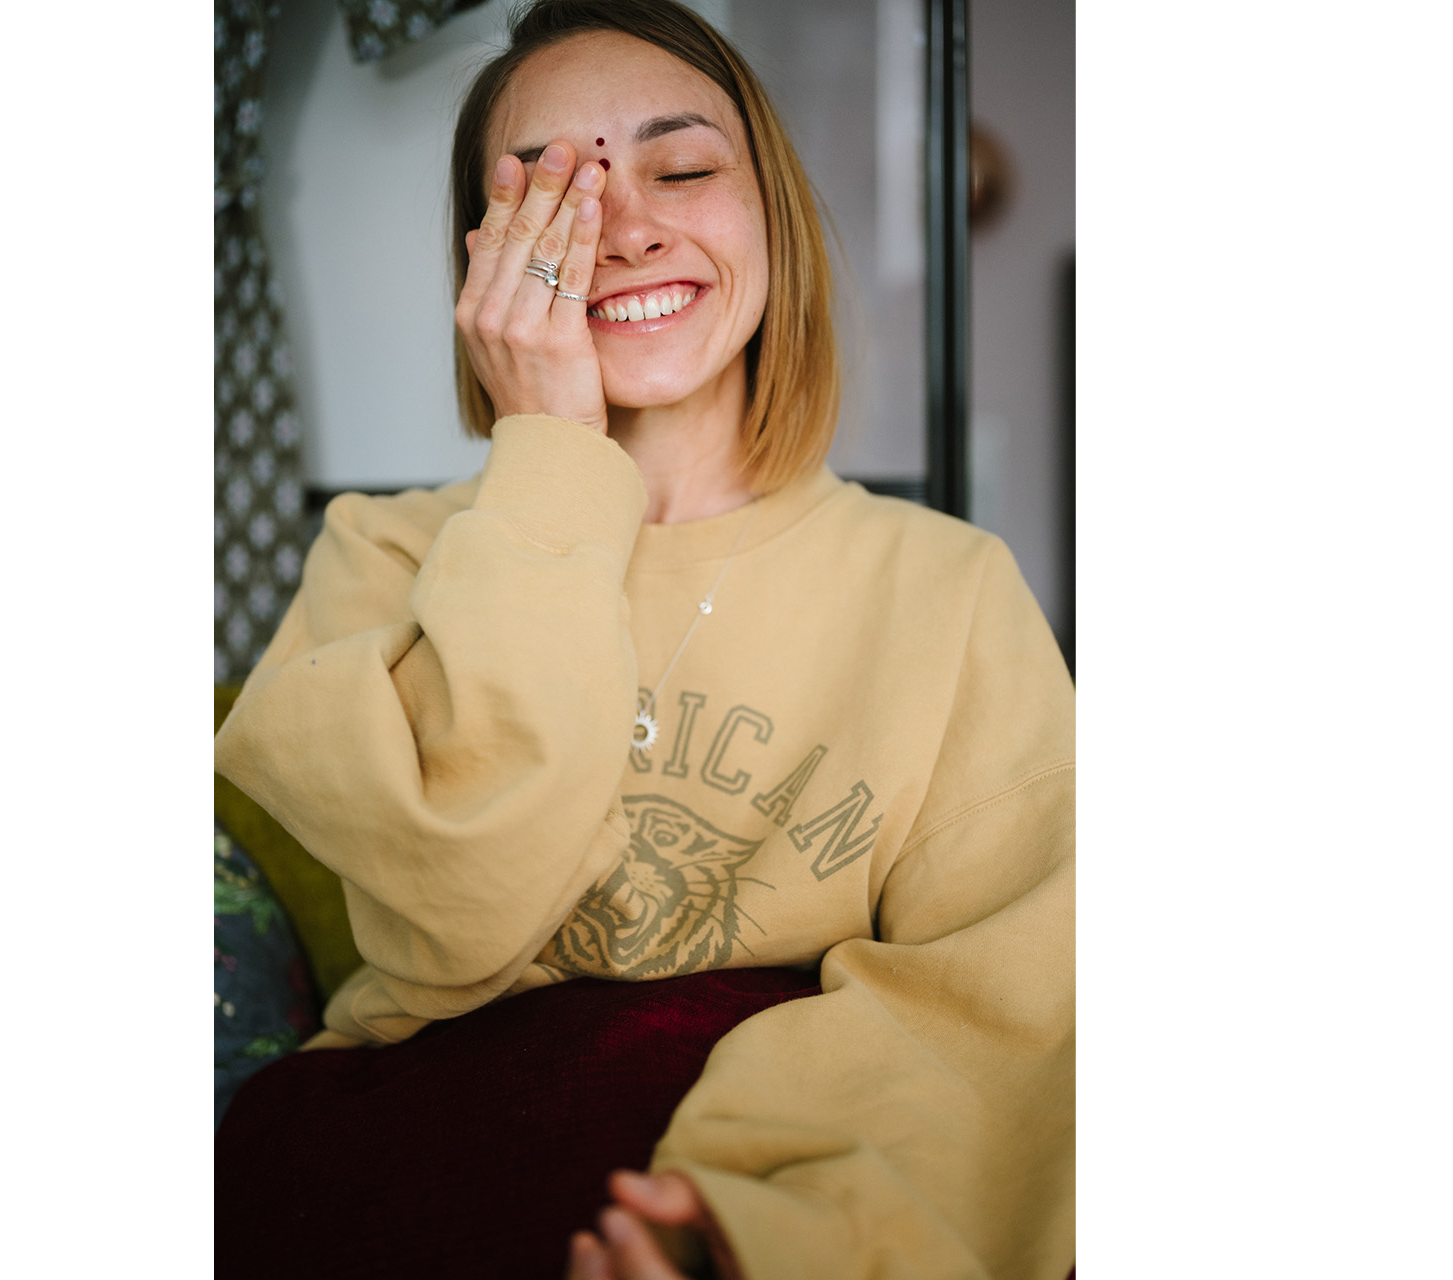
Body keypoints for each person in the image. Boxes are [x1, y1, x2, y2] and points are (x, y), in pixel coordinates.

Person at [213, 2, 1075, 1277]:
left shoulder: (950, 588)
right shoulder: (378, 554)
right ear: (482, 267)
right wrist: (553, 457)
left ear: (772, 216)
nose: (623, 229)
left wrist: (759, 1230)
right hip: (421, 1177)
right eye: (551, 197)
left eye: (681, 170)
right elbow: (456, 916)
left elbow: (1006, 1014)